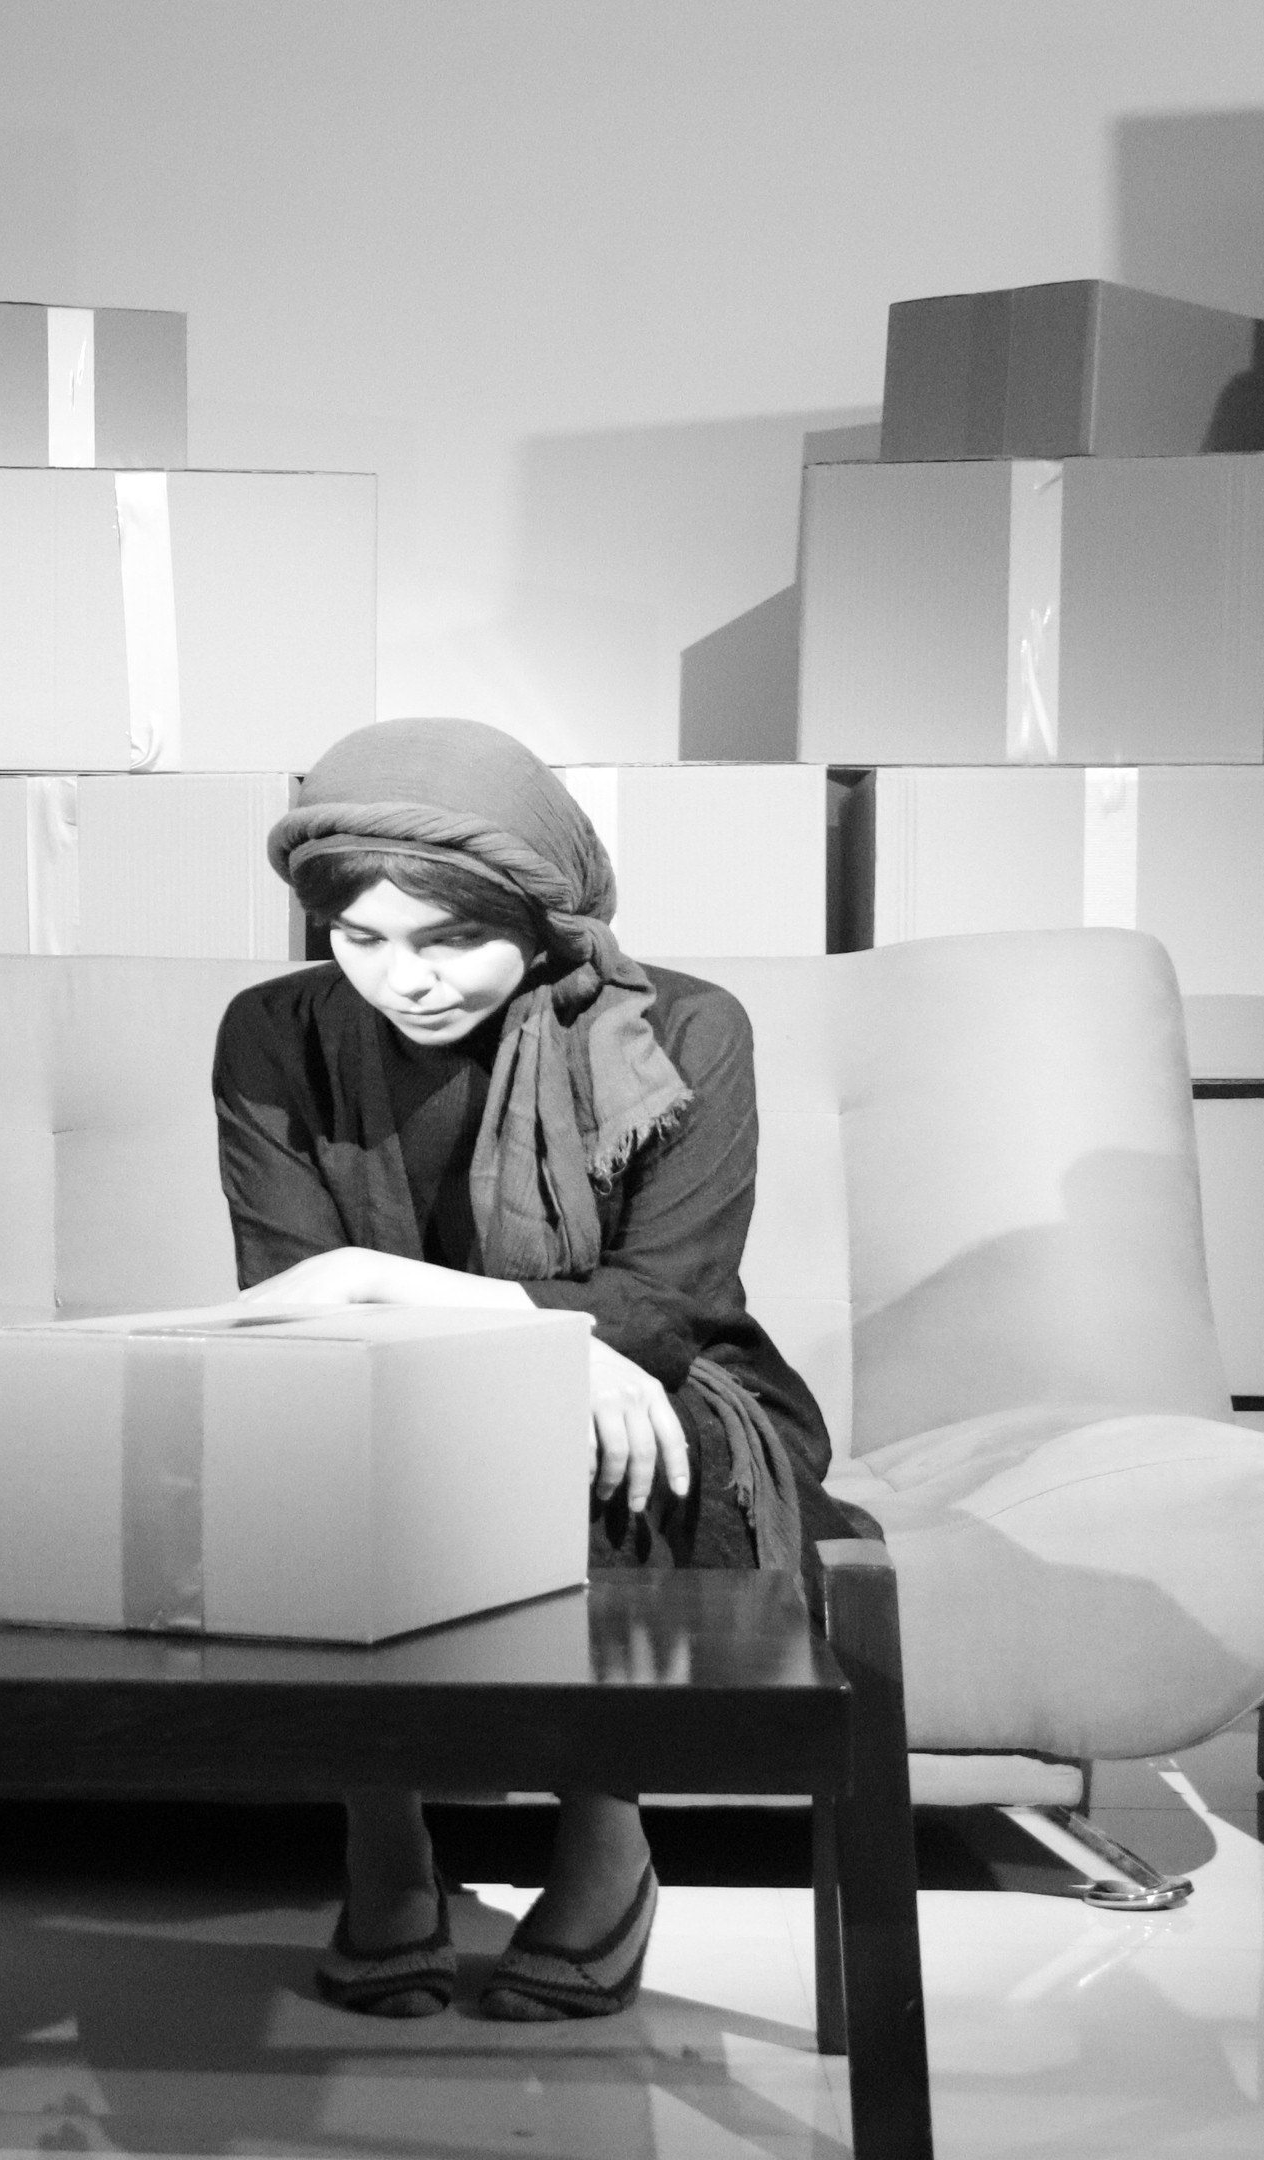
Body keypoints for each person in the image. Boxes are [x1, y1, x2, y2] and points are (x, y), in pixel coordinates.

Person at [212, 717, 837, 2022]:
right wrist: (537, 1333)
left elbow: (661, 1308)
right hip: (375, 1379)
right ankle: (383, 1836)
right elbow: (296, 1295)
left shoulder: (682, 1029)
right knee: (319, 1433)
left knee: (609, 1428)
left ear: (540, 916)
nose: (406, 981)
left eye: (451, 940)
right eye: (359, 938)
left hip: (666, 1384)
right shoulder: (273, 1031)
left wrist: (432, 1298)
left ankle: (605, 1837)